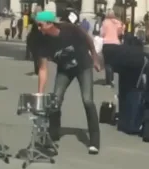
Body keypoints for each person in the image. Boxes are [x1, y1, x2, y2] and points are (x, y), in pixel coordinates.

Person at [34, 11, 101, 154]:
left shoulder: (69, 29)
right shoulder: (42, 42)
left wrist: (95, 57)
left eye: (41, 26)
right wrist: (40, 92)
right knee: (55, 100)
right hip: (65, 69)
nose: (39, 29)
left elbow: (88, 39)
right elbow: (43, 69)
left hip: (83, 66)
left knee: (87, 100)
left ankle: (94, 141)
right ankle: (53, 136)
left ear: (50, 23)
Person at [100, 10, 123, 87]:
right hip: (116, 44)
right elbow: (120, 33)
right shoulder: (118, 22)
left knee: (107, 63)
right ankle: (112, 79)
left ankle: (108, 82)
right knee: (113, 62)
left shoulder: (105, 22)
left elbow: (102, 34)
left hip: (107, 44)